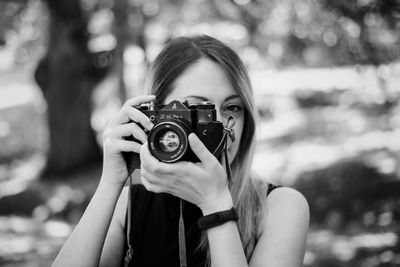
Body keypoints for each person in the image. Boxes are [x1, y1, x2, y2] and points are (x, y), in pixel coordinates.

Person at [52, 35, 309, 267]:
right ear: (157, 117)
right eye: (199, 110)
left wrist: (216, 205)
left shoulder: (280, 207)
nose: (220, 126)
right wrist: (110, 182)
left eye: (232, 108)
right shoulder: (129, 205)